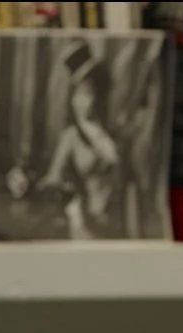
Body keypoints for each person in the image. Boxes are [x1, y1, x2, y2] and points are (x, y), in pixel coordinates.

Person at [39, 42, 125, 241]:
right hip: (86, 227)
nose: (84, 101)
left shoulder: (115, 133)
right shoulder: (70, 137)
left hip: (118, 228)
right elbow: (54, 180)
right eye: (79, 93)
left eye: (89, 92)